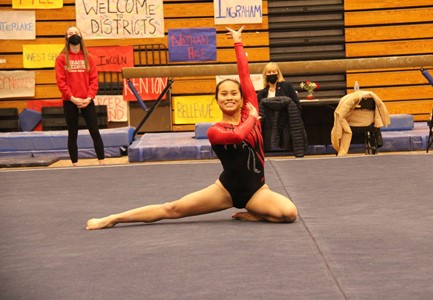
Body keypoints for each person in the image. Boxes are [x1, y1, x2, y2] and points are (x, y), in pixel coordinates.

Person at [86, 27, 298, 230]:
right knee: (172, 209)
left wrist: (237, 42)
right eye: (223, 94)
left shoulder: (249, 108)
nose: (229, 97)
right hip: (225, 191)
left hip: (256, 191)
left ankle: (254, 212)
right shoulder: (216, 130)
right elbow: (239, 135)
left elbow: (244, 75)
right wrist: (253, 117)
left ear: (242, 98)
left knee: (289, 213)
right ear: (217, 100)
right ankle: (113, 218)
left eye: (234, 93)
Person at [55, 26, 105, 167]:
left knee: (94, 131)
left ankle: (102, 161)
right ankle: (75, 164)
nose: (73, 35)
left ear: (81, 36)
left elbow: (94, 80)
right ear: (66, 38)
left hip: (87, 100)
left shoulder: (89, 58)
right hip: (70, 100)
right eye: (70, 33)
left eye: (76, 33)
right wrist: (71, 97)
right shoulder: (61, 59)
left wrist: (89, 97)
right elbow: (61, 81)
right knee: (73, 132)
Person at [257, 62, 307, 157]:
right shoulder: (262, 93)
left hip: (286, 125)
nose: (272, 74)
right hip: (269, 128)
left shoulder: (287, 86)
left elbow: (297, 105)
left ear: (278, 73)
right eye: (269, 72)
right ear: (265, 75)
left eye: (274, 71)